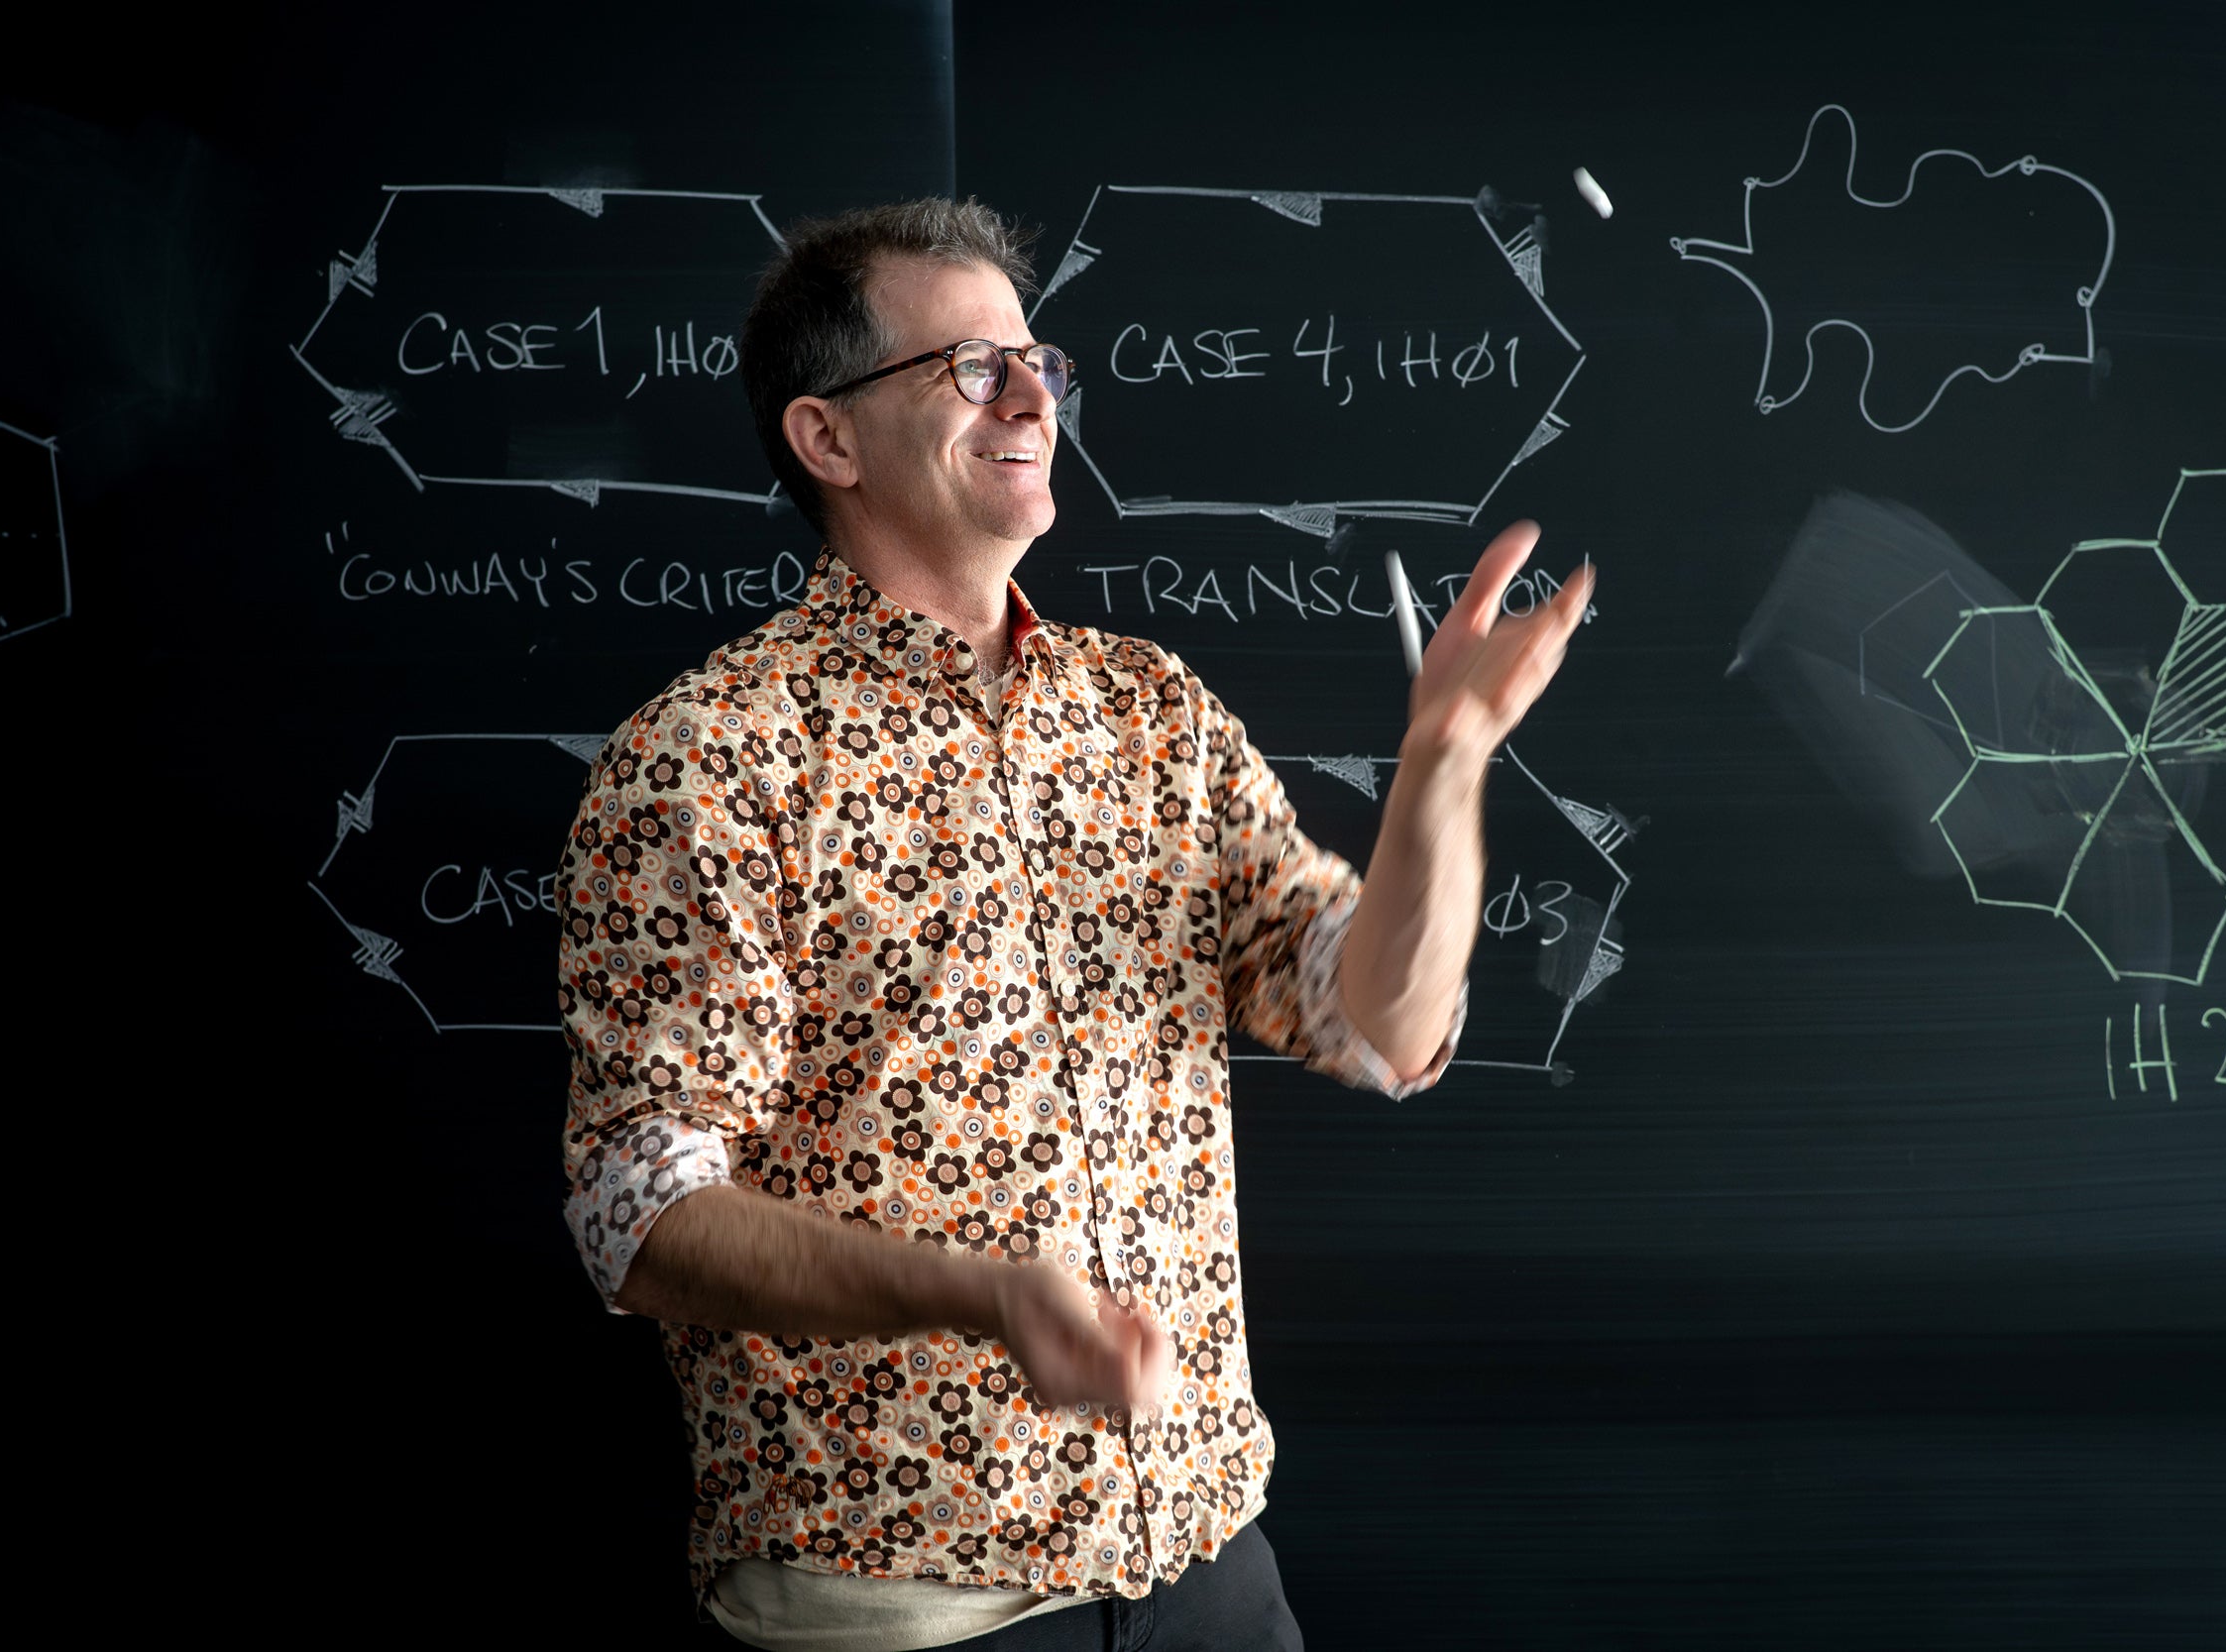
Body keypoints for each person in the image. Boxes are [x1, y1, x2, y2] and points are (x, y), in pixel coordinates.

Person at [555, 198, 1594, 1650]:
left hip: (1209, 1571)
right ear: (827, 440)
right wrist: (982, 1298)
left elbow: (1381, 1025)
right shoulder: (711, 761)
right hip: (908, 1599)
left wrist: (1445, 769)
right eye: (971, 368)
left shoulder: (1150, 715)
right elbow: (639, 1215)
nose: (1035, 395)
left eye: (1038, 359)